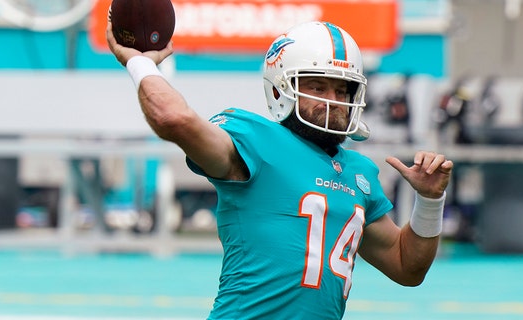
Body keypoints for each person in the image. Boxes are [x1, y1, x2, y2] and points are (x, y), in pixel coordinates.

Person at [106, 20, 453, 320]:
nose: (332, 100)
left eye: (342, 89)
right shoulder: (255, 139)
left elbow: (407, 266)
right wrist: (139, 64)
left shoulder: (359, 172)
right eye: (317, 86)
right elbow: (173, 119)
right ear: (280, 89)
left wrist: (429, 201)